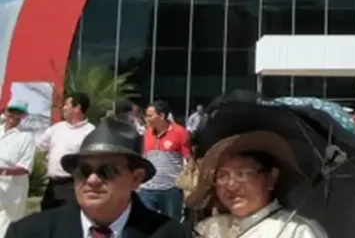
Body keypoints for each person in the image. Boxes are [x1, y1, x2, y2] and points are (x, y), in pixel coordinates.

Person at [6, 118, 189, 237]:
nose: (92, 180)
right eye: (83, 171)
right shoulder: (28, 233)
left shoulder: (170, 235)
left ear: (136, 178)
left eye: (106, 171)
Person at [189, 131, 327, 237]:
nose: (231, 185)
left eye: (242, 174)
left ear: (270, 179)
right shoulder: (210, 229)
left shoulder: (296, 231)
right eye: (222, 176)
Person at [35, 92, 96, 211]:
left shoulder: (90, 132)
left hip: (72, 185)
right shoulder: (57, 128)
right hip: (52, 185)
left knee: (67, 218)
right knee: (47, 217)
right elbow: (39, 146)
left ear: (77, 108)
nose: (63, 108)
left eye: (66, 105)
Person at [139, 100, 191, 220]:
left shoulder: (180, 133)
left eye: (150, 115)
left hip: (171, 190)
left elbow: (188, 160)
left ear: (161, 116)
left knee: (171, 226)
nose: (146, 119)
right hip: (147, 189)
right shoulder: (146, 134)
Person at [0, 102, 36, 234]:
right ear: (5, 111)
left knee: (8, 225)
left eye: (18, 113)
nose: (14, 115)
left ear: (23, 116)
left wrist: (3, 171)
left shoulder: (26, 136)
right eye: (12, 111)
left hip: (13, 190)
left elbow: (26, 167)